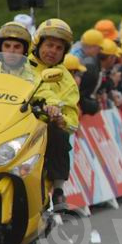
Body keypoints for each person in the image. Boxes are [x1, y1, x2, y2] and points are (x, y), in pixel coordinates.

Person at [29, 18, 80, 210]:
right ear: (38, 43)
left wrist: (60, 118)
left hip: (43, 126)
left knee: (59, 135)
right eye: (49, 45)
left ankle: (58, 189)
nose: (53, 51)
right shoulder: (18, 63)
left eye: (59, 48)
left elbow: (72, 117)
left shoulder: (66, 78)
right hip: (11, 121)